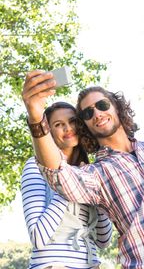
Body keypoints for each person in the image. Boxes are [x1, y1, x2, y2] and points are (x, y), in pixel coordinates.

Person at [22, 70, 144, 269]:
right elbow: (58, 174)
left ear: (117, 108)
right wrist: (36, 116)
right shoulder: (96, 174)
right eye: (88, 113)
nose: (97, 113)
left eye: (102, 105)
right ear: (85, 125)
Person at [21, 100, 112, 269]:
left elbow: (104, 241)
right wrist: (68, 184)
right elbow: (38, 238)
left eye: (72, 122)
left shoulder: (90, 171)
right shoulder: (34, 167)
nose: (68, 128)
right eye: (58, 124)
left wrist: (95, 189)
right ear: (48, 132)